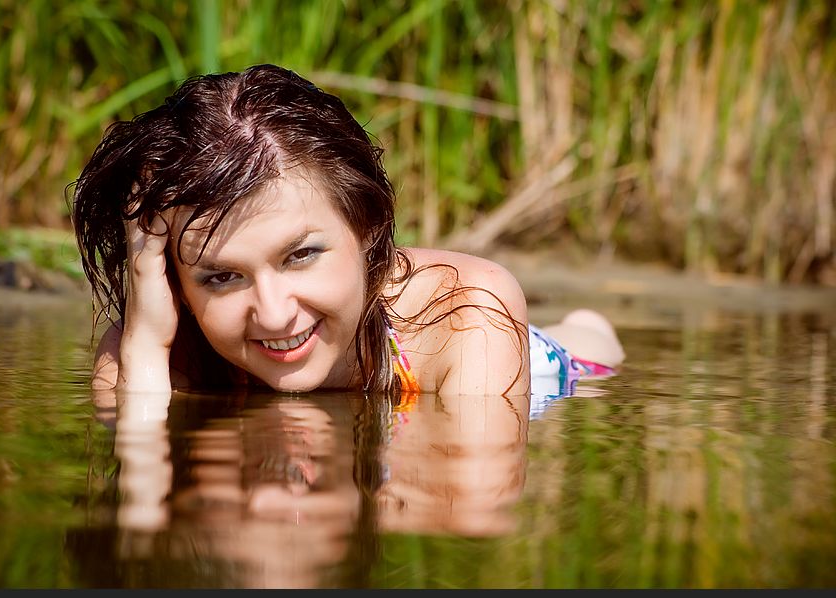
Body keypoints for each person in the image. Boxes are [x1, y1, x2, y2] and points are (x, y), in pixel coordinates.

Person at [71, 64, 624, 402]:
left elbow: (475, 498)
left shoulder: (470, 311)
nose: (273, 313)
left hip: (535, 359)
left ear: (368, 228)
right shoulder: (148, 346)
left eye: (301, 255)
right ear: (175, 285)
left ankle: (584, 326)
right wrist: (145, 340)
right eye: (221, 276)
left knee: (586, 345)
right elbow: (139, 496)